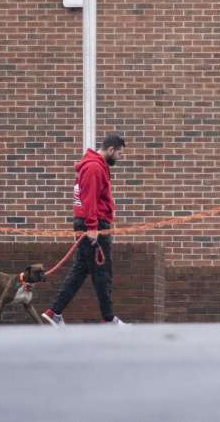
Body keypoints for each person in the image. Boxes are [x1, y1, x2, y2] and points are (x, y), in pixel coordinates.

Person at [41, 133, 126, 326]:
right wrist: (93, 228)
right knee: (103, 272)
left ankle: (54, 312)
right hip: (93, 226)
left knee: (81, 271)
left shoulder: (95, 166)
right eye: (119, 153)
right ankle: (108, 319)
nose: (120, 158)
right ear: (111, 150)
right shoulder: (94, 168)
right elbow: (89, 200)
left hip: (90, 224)